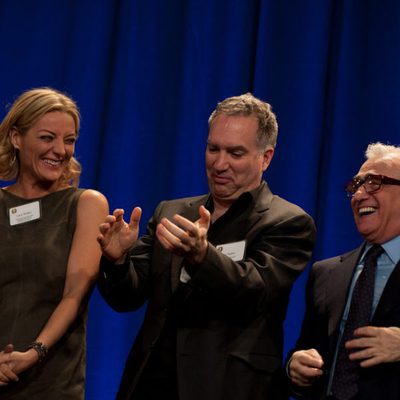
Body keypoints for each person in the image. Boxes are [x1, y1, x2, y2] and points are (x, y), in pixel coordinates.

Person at [97, 92, 316, 400]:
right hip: (151, 385)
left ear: (265, 157)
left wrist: (202, 256)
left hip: (228, 387)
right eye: (213, 149)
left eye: (235, 153)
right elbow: (127, 298)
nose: (219, 163)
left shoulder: (287, 222)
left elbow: (253, 291)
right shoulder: (171, 213)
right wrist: (117, 260)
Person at [0, 87, 108, 398]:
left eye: (69, 140)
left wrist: (33, 353)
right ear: (16, 138)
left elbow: (74, 295)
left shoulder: (87, 205)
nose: (60, 150)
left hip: (52, 383)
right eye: (47, 138)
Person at [287, 142, 400, 400]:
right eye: (356, 186)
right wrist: (294, 365)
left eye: (373, 183)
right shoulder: (326, 273)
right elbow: (307, 349)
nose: (359, 195)